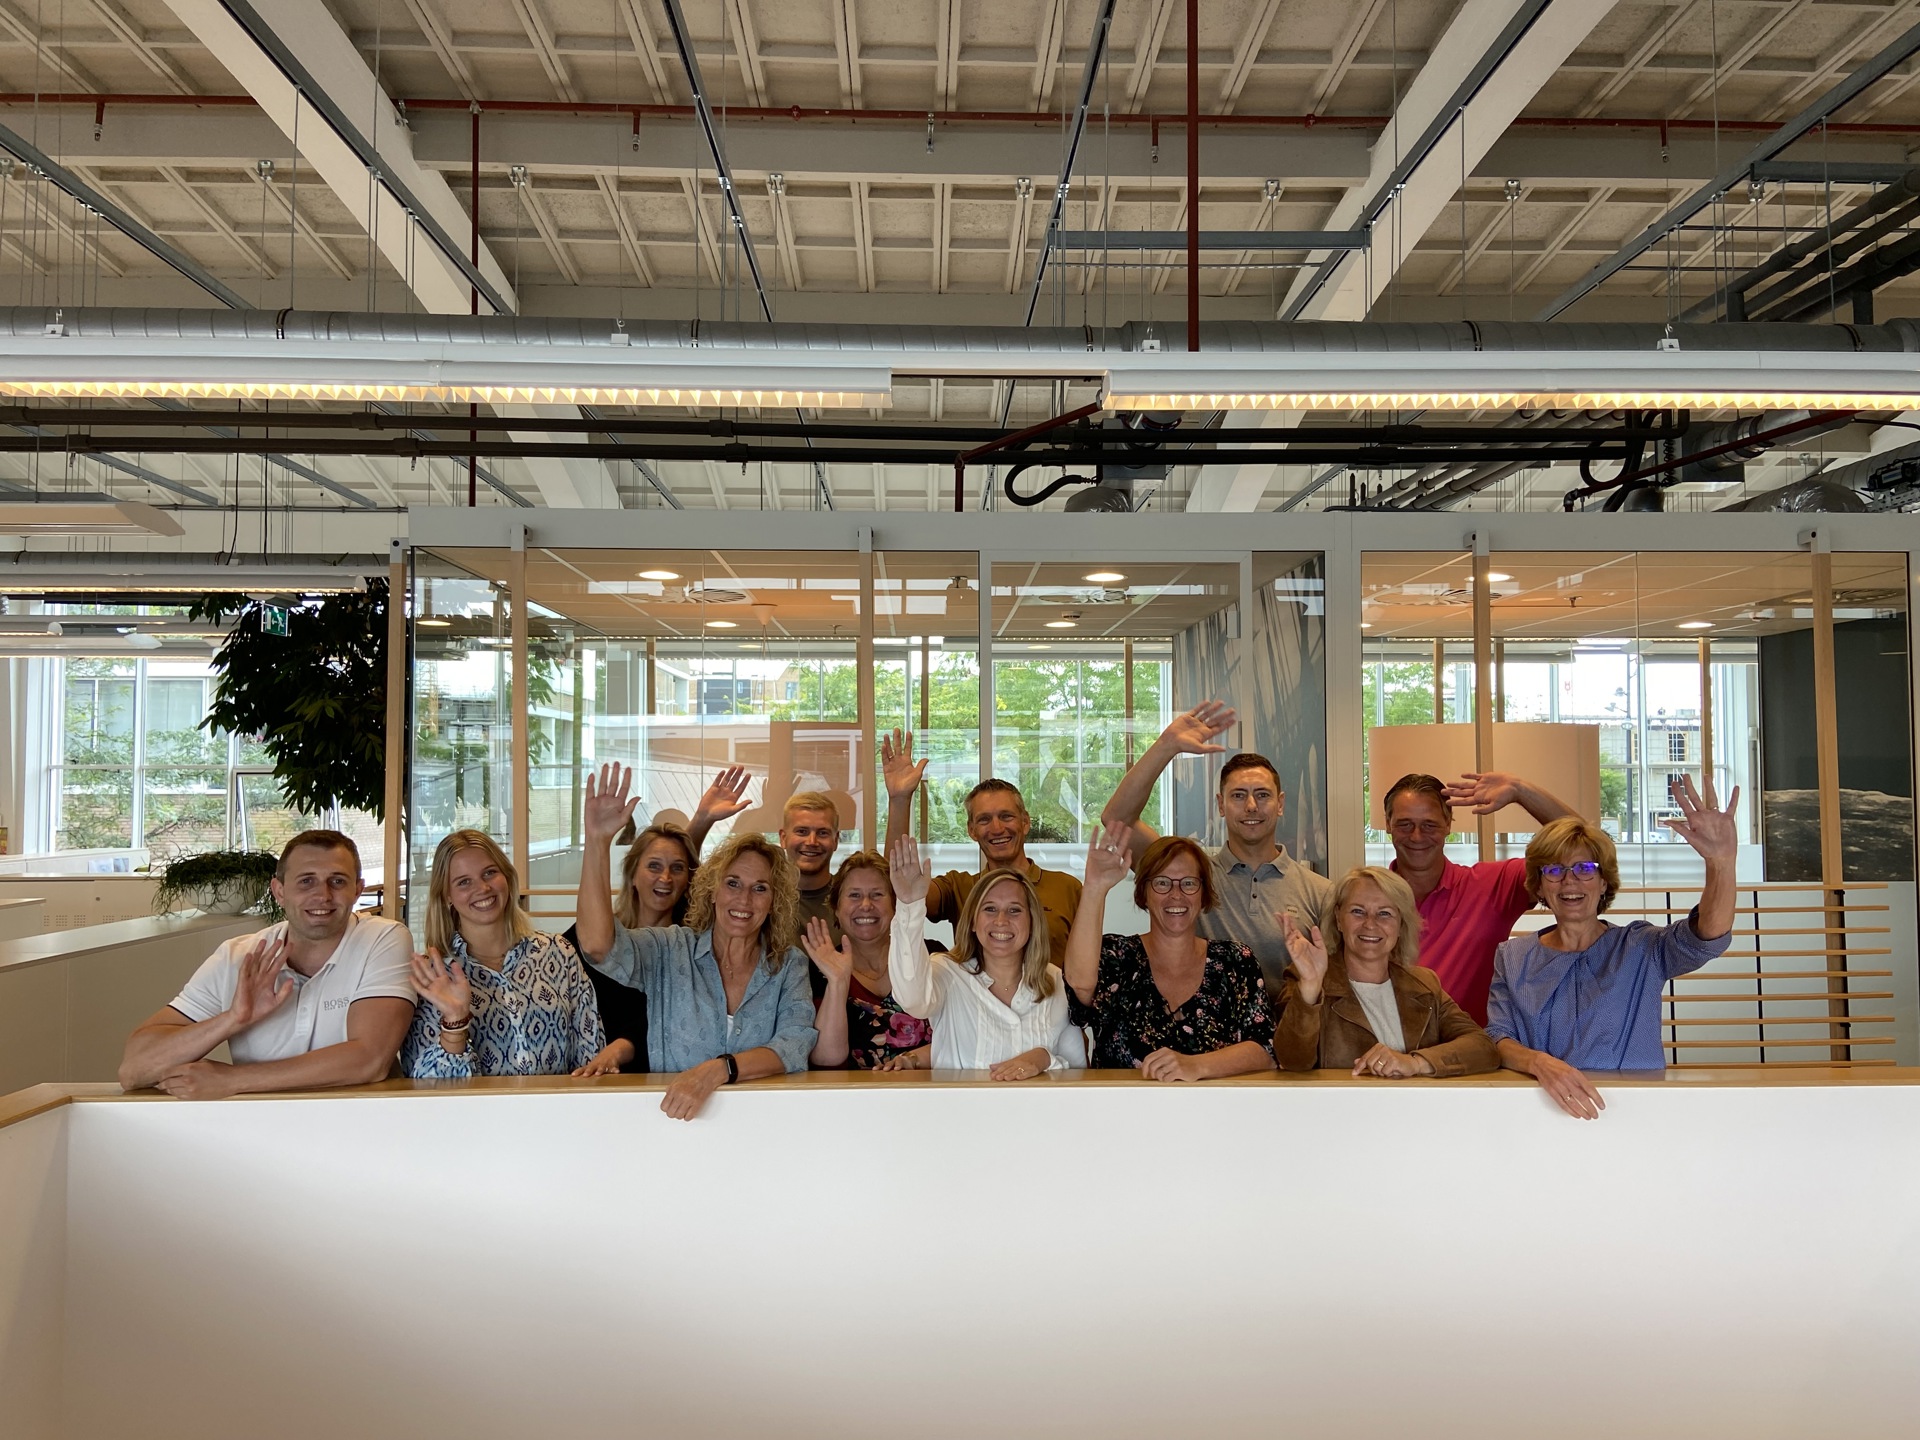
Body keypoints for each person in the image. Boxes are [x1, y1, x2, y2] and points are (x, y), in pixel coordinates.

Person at [1487, 778, 1739, 1120]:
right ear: (1540, 887)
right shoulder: (1513, 957)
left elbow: (1708, 935)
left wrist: (1721, 863)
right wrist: (1538, 1062)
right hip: (1542, 1116)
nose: (1570, 880)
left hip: (1635, 1116)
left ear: (1604, 882)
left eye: (1585, 869)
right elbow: (1498, 1038)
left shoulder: (1642, 948)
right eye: (1554, 870)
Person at [576, 766, 817, 1120]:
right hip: (675, 1127)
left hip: (762, 1127)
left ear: (773, 901)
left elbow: (794, 1045)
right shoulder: (670, 949)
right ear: (712, 891)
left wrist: (720, 1069)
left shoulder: (788, 964)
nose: (744, 899)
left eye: (760, 888)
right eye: (732, 883)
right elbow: (598, 947)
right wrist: (597, 841)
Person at [118, 830, 414, 1099]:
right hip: (258, 1129)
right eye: (306, 881)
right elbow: (134, 1070)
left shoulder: (383, 939)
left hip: (360, 1126)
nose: (323, 895)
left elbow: (369, 1060)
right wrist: (233, 1019)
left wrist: (232, 1080)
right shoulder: (237, 956)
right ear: (279, 891)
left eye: (337, 881)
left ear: (357, 890)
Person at [1100, 700, 1331, 996]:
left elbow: (1330, 985)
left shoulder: (1320, 892)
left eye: (1262, 795)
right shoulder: (1188, 875)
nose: (1251, 806)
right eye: (1238, 795)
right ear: (1221, 805)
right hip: (1201, 1025)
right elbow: (1116, 820)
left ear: (1280, 803)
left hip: (1291, 1025)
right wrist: (1166, 746)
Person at [1064, 824, 1274, 1080]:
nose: (1176, 895)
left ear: (1203, 893)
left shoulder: (1235, 961)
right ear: (1144, 893)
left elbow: (1264, 1051)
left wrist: (1195, 1066)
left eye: (1189, 883)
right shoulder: (1116, 956)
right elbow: (1079, 982)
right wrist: (1095, 887)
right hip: (1120, 1106)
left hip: (1214, 1106)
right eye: (1162, 883)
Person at [400, 830, 614, 1080]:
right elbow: (425, 1087)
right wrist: (455, 1023)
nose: (483, 888)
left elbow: (591, 1058)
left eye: (489, 873)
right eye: (464, 882)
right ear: (446, 895)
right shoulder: (433, 977)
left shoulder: (559, 953)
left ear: (507, 877)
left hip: (557, 1105)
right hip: (477, 1108)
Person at [1383, 769, 1580, 1027]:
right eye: (1404, 824)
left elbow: (1583, 846)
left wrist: (1521, 790)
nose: (1417, 836)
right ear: (1388, 824)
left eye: (1429, 825)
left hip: (1473, 1047)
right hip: (1384, 1046)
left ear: (1448, 824)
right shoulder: (1369, 900)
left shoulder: (1491, 885)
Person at [885, 836, 1084, 1077]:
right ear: (972, 921)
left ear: (1032, 922)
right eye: (989, 909)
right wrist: (910, 906)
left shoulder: (1055, 982)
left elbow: (1079, 1074)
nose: (1001, 920)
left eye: (1014, 910)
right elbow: (912, 999)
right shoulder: (947, 971)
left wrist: (1043, 1058)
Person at [880, 729, 1082, 964]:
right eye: (984, 820)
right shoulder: (959, 888)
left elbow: (1087, 963)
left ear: (1025, 822)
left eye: (1006, 816)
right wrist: (900, 800)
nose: (997, 828)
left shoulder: (1068, 888)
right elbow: (899, 887)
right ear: (972, 830)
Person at [1274, 866, 1498, 1077]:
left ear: (1401, 924)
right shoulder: (1305, 979)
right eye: (1358, 911)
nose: (1370, 924)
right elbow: (1293, 1061)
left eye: (1384, 914)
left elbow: (1483, 1047)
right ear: (1338, 919)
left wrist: (1415, 1063)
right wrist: (1310, 987)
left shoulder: (1425, 983)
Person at [802, 850, 933, 1070]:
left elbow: (959, 1037)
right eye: (854, 895)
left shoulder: (931, 955)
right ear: (836, 908)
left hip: (929, 1087)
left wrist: (912, 1059)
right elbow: (826, 1059)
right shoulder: (818, 969)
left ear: (895, 904)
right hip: (853, 1091)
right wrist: (837, 982)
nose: (865, 905)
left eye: (877, 894)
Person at [781, 791, 845, 938]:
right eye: (802, 831)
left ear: (836, 840)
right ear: (783, 838)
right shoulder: (764, 897)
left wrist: (897, 801)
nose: (811, 842)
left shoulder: (852, 898)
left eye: (822, 833)